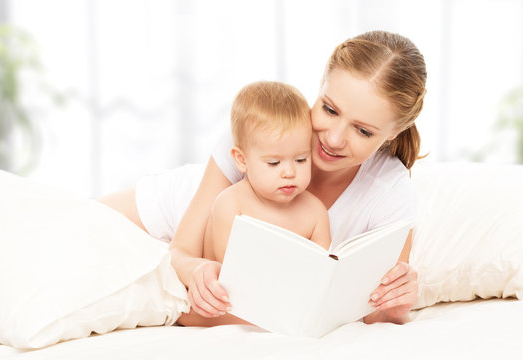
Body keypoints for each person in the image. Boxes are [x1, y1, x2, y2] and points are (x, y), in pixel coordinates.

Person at [99, 30, 427, 326]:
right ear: (320, 87)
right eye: (329, 109)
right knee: (66, 226)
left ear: (393, 132)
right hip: (173, 206)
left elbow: (375, 309)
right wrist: (196, 270)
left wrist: (397, 304)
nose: (335, 139)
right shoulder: (262, 131)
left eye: (363, 130)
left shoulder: (389, 192)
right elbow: (180, 251)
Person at [203, 80, 331, 265]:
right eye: (274, 163)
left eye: (301, 160)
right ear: (241, 160)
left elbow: (322, 273)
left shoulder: (315, 213)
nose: (289, 172)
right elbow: (230, 273)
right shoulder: (231, 205)